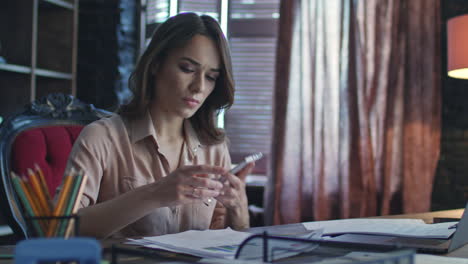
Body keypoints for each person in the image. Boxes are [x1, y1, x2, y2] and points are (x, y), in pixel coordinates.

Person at [64, 12, 254, 239]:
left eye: (211, 77)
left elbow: (221, 242)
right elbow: (61, 229)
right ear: (155, 64)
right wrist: (154, 194)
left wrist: (240, 210)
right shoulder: (101, 138)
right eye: (187, 69)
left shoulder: (214, 148)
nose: (199, 87)